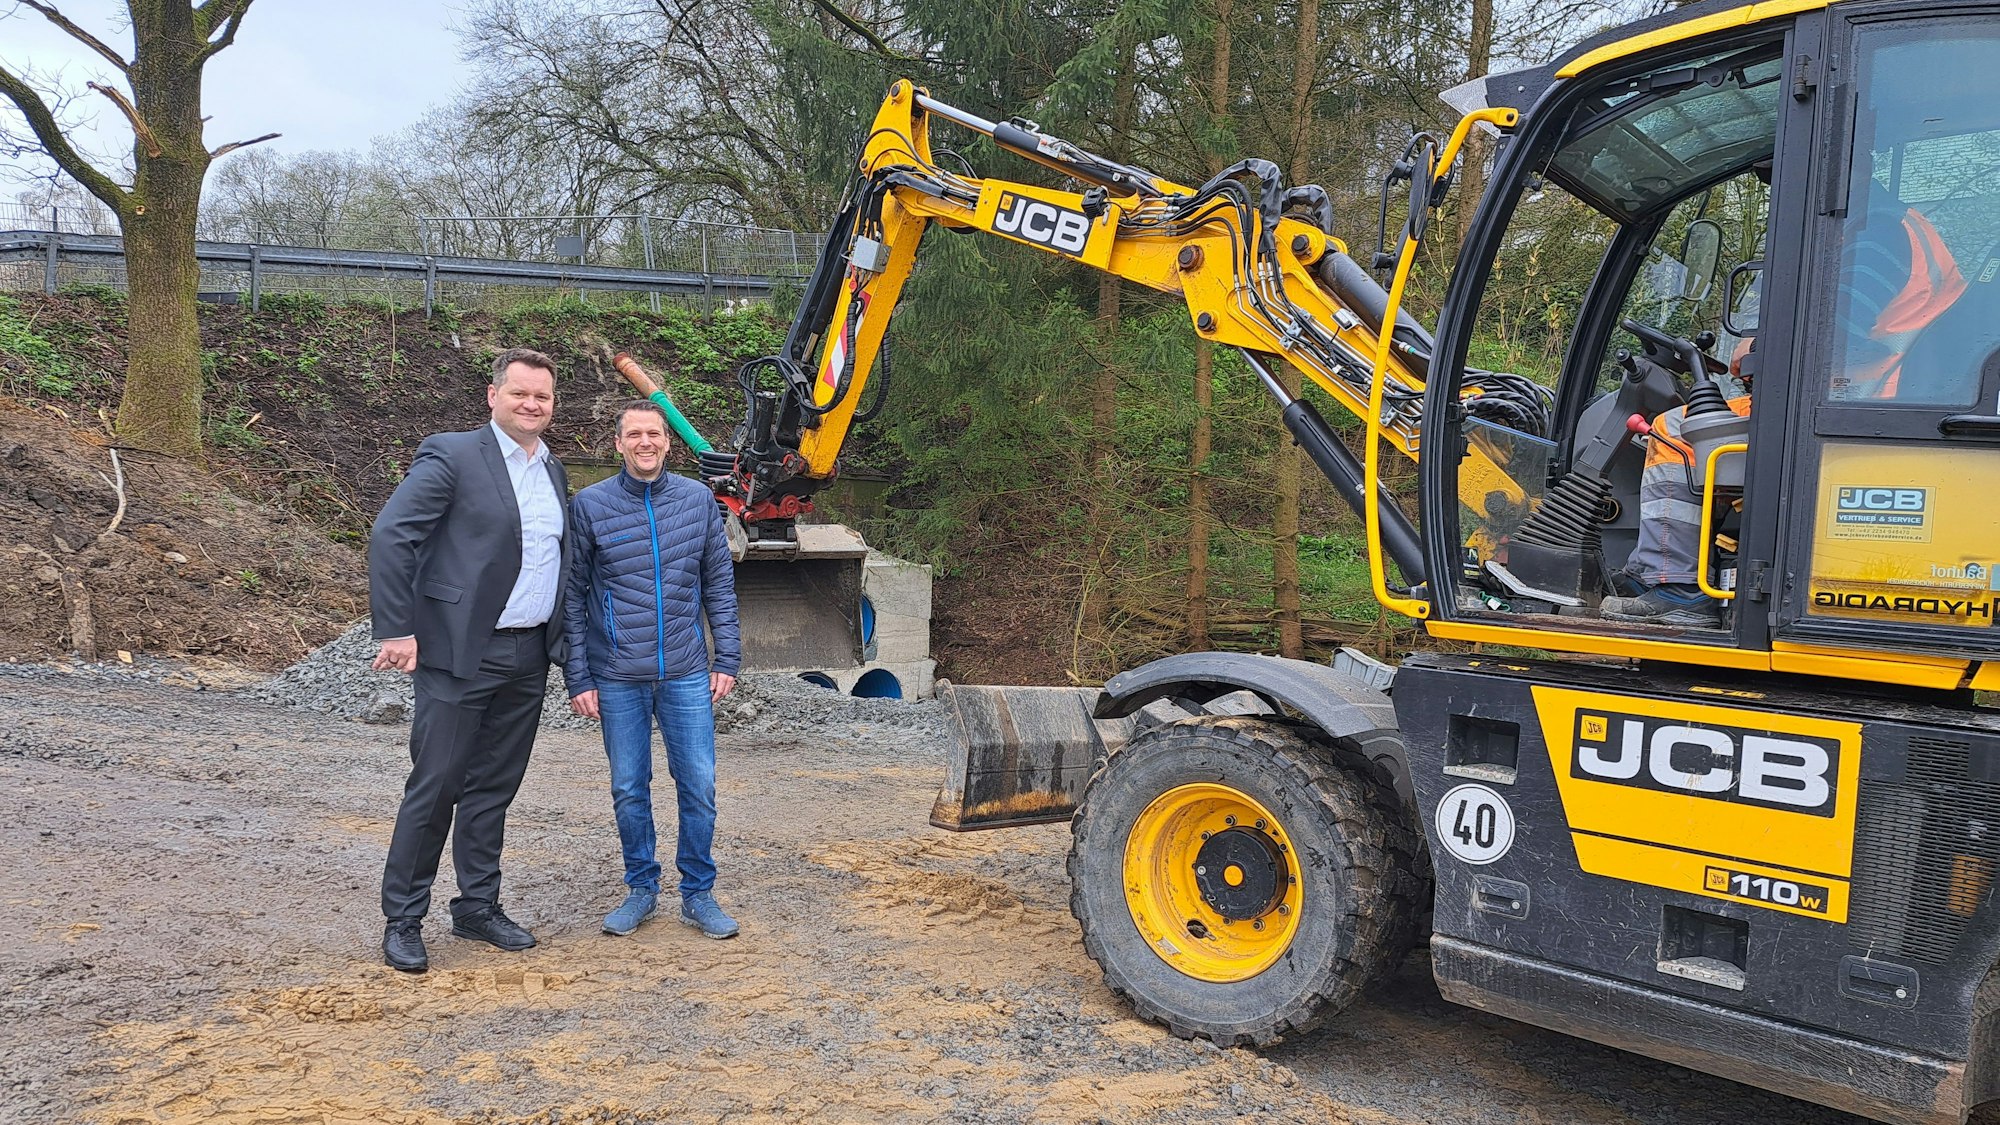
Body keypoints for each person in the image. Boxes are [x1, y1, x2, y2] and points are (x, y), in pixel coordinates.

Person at [1603, 200, 1966, 626]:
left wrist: (1756, 350)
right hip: (1876, 396)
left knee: (1676, 430)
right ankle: (1662, 571)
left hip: (1851, 399)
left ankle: (1680, 586)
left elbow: (1837, 336)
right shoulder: (1898, 231)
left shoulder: (1876, 237)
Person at [369, 348, 571, 973]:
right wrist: (399, 628)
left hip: (527, 652)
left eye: (542, 396)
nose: (531, 405)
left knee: (493, 789)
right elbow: (393, 535)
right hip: (459, 651)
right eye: (520, 394)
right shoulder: (453, 455)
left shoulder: (553, 471)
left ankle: (477, 907)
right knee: (435, 787)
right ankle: (404, 918)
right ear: (493, 396)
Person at [564, 400, 743, 939]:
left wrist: (727, 658)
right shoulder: (591, 505)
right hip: (616, 674)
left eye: (655, 434)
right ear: (617, 444)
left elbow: (719, 588)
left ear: (668, 442)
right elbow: (572, 596)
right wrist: (579, 675)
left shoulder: (697, 500)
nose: (645, 442)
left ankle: (697, 893)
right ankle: (641, 888)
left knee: (699, 784)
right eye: (634, 434)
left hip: (686, 671)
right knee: (627, 786)